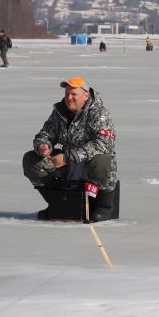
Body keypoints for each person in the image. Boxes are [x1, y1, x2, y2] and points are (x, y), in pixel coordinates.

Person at [22, 76, 119, 221]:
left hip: (88, 166)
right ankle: (57, 203)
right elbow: (45, 133)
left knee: (102, 160)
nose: (69, 97)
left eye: (74, 94)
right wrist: (43, 145)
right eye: (67, 93)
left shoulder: (99, 113)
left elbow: (104, 144)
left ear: (85, 96)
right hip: (67, 168)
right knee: (32, 160)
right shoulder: (60, 112)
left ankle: (104, 207)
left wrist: (68, 158)